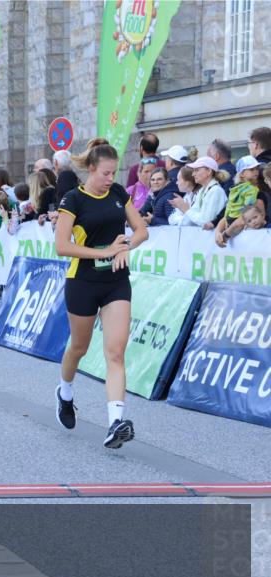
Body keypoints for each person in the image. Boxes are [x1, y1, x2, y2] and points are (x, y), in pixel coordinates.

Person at [54, 140, 148, 448]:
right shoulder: (73, 199)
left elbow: (141, 231)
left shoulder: (119, 194)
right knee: (78, 348)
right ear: (91, 169)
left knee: (116, 352)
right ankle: (65, 393)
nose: (111, 179)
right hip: (82, 281)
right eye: (106, 173)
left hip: (116, 282)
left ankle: (115, 423)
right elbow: (62, 246)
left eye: (114, 173)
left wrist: (125, 247)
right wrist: (104, 251)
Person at [214, 156, 264, 247]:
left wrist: (223, 234)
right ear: (242, 174)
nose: (256, 171)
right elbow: (228, 213)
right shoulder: (241, 189)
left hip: (244, 229)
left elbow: (246, 212)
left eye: (256, 168)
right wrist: (218, 232)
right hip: (238, 228)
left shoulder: (249, 189)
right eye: (251, 169)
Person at [168, 157, 228, 228]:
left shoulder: (215, 191)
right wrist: (186, 210)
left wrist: (185, 209)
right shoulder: (202, 190)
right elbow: (192, 219)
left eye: (197, 170)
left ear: (209, 171)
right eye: (193, 171)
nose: (193, 174)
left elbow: (205, 221)